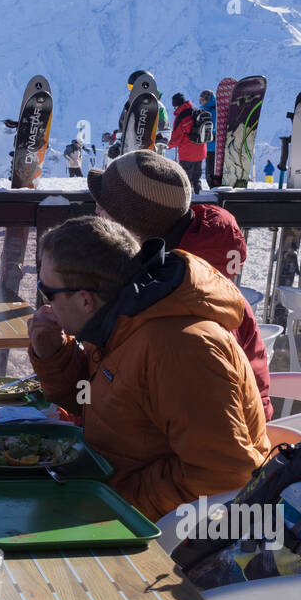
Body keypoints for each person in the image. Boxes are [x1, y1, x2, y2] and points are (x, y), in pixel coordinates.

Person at [28, 215, 270, 519]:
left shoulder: (180, 350)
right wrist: (51, 353)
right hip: (106, 491)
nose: (45, 305)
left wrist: (114, 500)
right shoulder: (117, 319)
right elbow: (88, 399)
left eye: (47, 292)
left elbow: (222, 478)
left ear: (85, 299)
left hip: (165, 537)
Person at [87, 150, 273, 419]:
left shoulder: (181, 309)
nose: (96, 211)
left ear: (128, 228)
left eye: (103, 207)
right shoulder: (173, 284)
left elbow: (208, 432)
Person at [167, 92, 205, 192]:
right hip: (201, 152)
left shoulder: (181, 117)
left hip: (187, 154)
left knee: (186, 180)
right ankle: (200, 198)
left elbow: (176, 138)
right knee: (197, 179)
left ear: (176, 105)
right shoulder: (197, 111)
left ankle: (189, 203)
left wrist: (167, 145)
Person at [199, 90, 218, 186]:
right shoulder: (206, 110)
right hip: (208, 147)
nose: (200, 102)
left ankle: (214, 188)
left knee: (210, 173)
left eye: (202, 99)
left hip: (212, 146)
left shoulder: (213, 111)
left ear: (207, 99)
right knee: (209, 172)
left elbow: (213, 126)